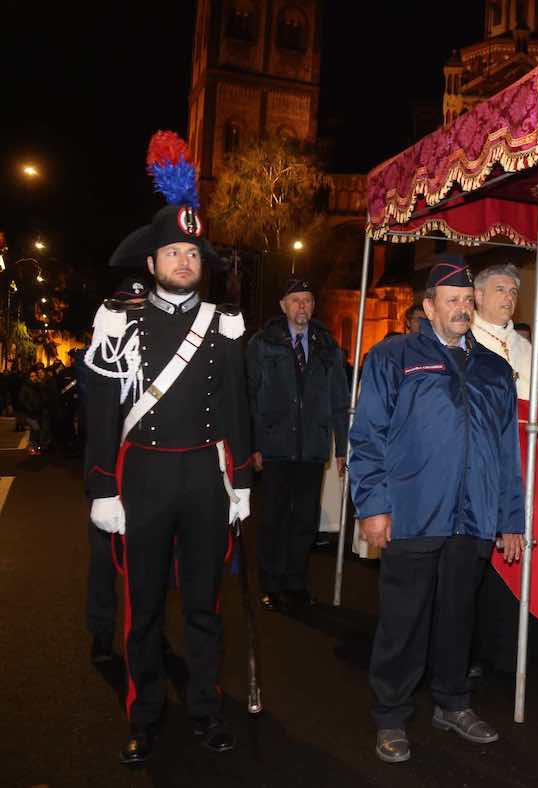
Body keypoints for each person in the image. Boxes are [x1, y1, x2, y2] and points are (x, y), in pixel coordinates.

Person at [83, 131, 253, 766]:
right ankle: (144, 714)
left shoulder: (223, 324)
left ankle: (206, 709)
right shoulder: (116, 320)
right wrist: (103, 485)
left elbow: (236, 405)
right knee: (145, 608)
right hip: (145, 478)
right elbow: (101, 410)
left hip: (207, 479)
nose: (185, 260)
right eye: (173, 251)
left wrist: (239, 482)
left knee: (206, 607)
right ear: (150, 262)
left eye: (193, 252)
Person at [349, 260, 526, 764]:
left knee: (457, 617)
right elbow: (367, 437)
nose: (462, 308)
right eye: (451, 299)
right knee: (404, 620)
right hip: (413, 513)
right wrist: (374, 506)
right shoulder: (393, 357)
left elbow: (507, 450)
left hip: (473, 517)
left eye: (467, 299)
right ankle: (390, 714)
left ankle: (452, 702)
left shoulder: (494, 367)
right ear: (428, 307)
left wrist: (510, 518)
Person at [469, 263, 538, 677]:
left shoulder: (525, 346)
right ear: (478, 296)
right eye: (499, 289)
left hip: (521, 469)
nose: (508, 297)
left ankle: (505, 649)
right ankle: (470, 652)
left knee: (510, 557)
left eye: (513, 291)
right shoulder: (467, 339)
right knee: (476, 562)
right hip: (477, 468)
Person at [246, 278, 348, 610]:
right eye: (295, 300)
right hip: (275, 447)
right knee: (273, 518)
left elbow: (339, 400)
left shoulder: (327, 346)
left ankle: (296, 582)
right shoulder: (263, 344)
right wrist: (253, 444)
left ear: (313, 306)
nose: (301, 306)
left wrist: (342, 446)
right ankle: (271, 583)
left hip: (312, 448)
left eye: (307, 300)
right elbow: (250, 396)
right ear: (283, 306)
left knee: (304, 521)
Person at [84, 277, 148, 664]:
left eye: (141, 309)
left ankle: (146, 630)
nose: (134, 318)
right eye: (127, 310)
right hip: (107, 468)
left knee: (149, 560)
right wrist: (101, 482)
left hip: (146, 472)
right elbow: (97, 420)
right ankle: (102, 630)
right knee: (104, 559)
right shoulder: (99, 355)